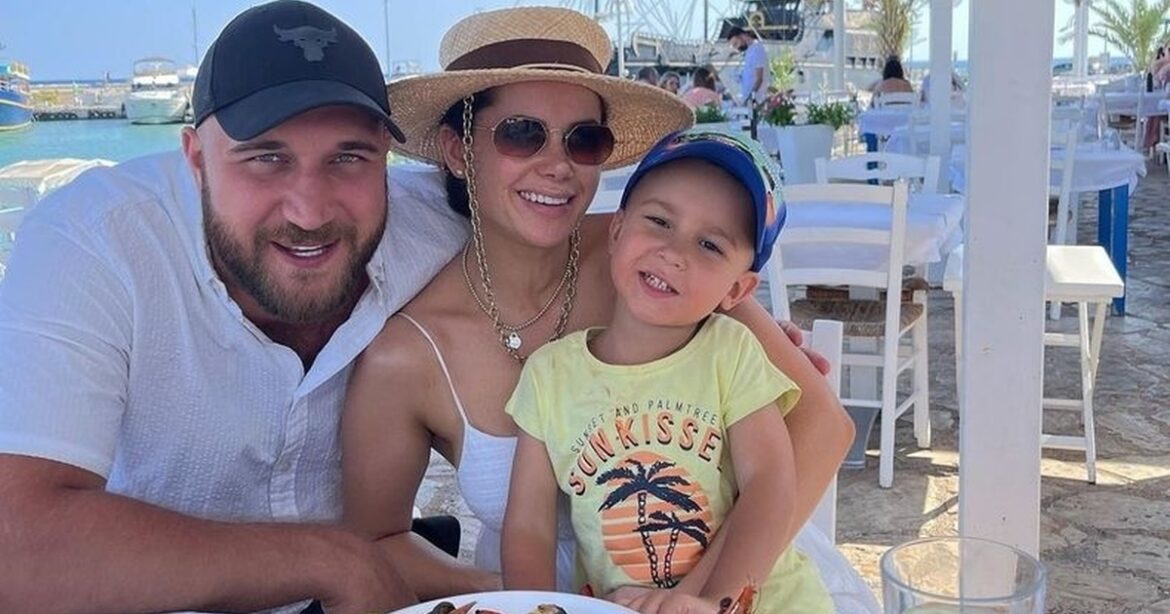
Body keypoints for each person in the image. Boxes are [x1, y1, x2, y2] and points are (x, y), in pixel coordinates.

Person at [341, 6, 868, 610]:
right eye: (521, 132)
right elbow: (376, 543)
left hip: (748, 585)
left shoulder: (654, 253)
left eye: (584, 139)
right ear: (459, 152)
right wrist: (528, 597)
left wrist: (690, 598)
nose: (557, 165)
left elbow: (823, 427)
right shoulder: (408, 354)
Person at [0, 2, 468, 613]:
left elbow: (579, 246)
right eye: (266, 158)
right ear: (195, 158)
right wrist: (330, 560)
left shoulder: (436, 231)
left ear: (386, 153)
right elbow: (17, 547)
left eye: (348, 157)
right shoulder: (95, 241)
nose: (310, 212)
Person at [501, 129, 833, 614]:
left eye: (710, 245)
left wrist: (716, 603)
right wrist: (534, 607)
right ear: (616, 231)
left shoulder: (730, 352)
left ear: (738, 291)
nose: (674, 252)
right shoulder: (548, 374)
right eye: (658, 221)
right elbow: (528, 526)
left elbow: (770, 484)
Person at [726, 26, 771, 137]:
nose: (737, 48)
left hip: (757, 101)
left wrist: (750, 99)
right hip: (751, 103)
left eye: (736, 43)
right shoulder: (750, 51)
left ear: (742, 36)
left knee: (757, 134)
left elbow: (759, 78)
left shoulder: (757, 49)